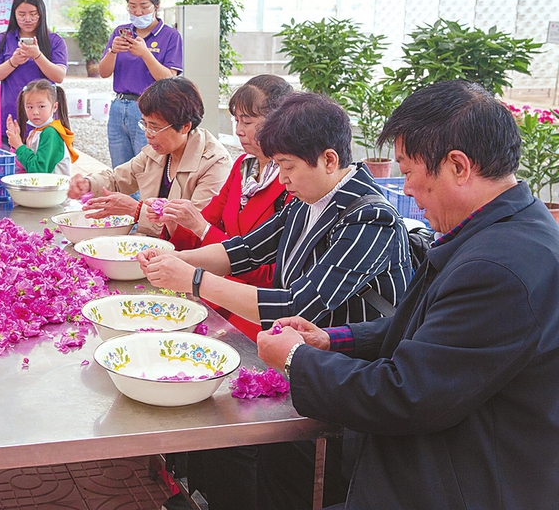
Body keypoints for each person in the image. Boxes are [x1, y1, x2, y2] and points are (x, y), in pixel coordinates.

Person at [257, 79, 559, 510]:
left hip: (461, 485)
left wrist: (295, 359)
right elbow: (429, 331)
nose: (407, 190)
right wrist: (331, 340)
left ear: (458, 166)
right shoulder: (497, 232)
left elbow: (406, 394)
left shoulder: (500, 268)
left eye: (410, 172)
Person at [139, 92, 411, 510]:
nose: (281, 178)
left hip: (345, 379)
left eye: (287, 167)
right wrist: (175, 258)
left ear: (329, 160)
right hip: (299, 365)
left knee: (296, 485)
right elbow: (244, 250)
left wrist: (192, 280)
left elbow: (299, 303)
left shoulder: (368, 217)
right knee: (264, 470)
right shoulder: (306, 201)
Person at [163, 74, 294, 339]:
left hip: (251, 309)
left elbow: (273, 273)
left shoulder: (291, 182)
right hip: (218, 290)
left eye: (247, 121)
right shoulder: (243, 167)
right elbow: (208, 218)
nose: (238, 130)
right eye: (236, 120)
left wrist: (200, 228)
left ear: (279, 122)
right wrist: (172, 225)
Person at [66, 76, 230, 238]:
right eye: (144, 124)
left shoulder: (214, 163)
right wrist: (88, 184)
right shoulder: (157, 152)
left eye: (154, 127)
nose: (147, 134)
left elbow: (194, 230)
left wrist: (135, 210)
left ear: (185, 127)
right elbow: (117, 180)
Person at [99, 0, 183, 167]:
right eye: (132, 6)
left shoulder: (170, 36)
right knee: (120, 168)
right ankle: (121, 197)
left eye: (144, 7)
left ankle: (146, 198)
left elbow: (169, 78)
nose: (138, 12)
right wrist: (113, 51)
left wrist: (145, 54)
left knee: (147, 166)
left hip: (151, 109)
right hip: (119, 106)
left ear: (157, 5)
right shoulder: (121, 32)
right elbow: (103, 72)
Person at [0, 0, 68, 128]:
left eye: (33, 14)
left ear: (41, 14)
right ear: (14, 15)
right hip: (10, 115)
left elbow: (59, 76)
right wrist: (13, 62)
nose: (27, 19)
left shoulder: (55, 41)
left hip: (44, 119)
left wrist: (37, 55)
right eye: (21, 14)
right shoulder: (3, 39)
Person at [6, 78, 79, 175]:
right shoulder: (36, 131)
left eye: (41, 106)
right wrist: (16, 139)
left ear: (54, 107)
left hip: (53, 189)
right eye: (30, 107)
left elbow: (38, 171)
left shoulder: (51, 133)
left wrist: (19, 145)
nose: (35, 112)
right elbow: (28, 163)